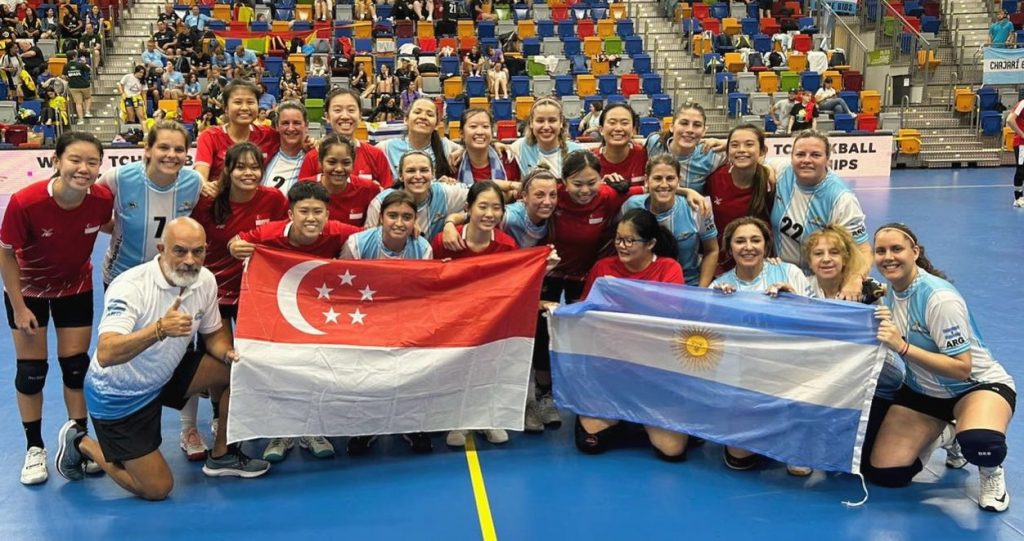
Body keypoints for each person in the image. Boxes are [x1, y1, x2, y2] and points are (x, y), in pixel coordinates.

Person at [56, 218, 271, 500]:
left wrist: (228, 354)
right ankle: (81, 442)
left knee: (240, 372)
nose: (190, 260)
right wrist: (158, 330)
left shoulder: (204, 280)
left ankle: (222, 455)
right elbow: (107, 353)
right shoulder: (130, 286)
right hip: (119, 395)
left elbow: (214, 333)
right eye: (180, 251)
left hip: (165, 374)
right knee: (157, 489)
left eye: (198, 252)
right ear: (162, 248)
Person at [867, 223, 1015, 513]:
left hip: (975, 387)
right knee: (887, 473)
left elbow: (962, 368)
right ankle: (948, 434)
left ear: (915, 252)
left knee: (981, 441)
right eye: (880, 251)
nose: (888, 257)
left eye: (897, 249)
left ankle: (989, 470)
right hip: (923, 392)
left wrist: (903, 347)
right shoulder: (888, 291)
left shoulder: (938, 298)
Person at [0, 133, 113, 485]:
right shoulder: (26, 202)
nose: (83, 168)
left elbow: (111, 225)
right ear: (56, 161)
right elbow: (5, 253)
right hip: (29, 289)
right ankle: (35, 448)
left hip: (75, 286)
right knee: (31, 371)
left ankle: (79, 443)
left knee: (76, 368)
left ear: (99, 167)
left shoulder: (102, 199)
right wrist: (18, 307)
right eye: (75, 160)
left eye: (92, 162)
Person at [572, 208, 687, 461]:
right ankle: (622, 417)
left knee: (672, 450)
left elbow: (672, 316)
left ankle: (639, 415)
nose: (621, 246)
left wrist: (624, 298)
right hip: (609, 369)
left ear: (651, 243)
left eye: (630, 240)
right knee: (590, 442)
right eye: (618, 239)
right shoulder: (603, 268)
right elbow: (585, 312)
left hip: (652, 372)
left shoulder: (669, 269)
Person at [710, 216, 814, 476]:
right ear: (729, 248)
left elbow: (816, 322)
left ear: (766, 245)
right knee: (739, 459)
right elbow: (711, 344)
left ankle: (794, 430)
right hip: (746, 377)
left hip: (790, 372)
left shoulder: (790, 273)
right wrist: (717, 308)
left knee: (799, 469)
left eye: (755, 240)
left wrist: (795, 301)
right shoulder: (719, 287)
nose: (748, 247)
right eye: (740, 241)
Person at [770, 130, 871, 300]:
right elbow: (752, 156)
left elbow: (864, 250)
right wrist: (724, 144)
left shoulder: (841, 199)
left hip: (820, 285)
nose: (806, 160)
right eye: (800, 154)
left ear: (828, 160)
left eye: (815, 155)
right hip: (780, 274)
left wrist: (855, 278)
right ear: (792, 157)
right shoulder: (782, 170)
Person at [365, 150, 517, 240]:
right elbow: (369, 240)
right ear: (401, 176)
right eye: (411, 171)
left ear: (433, 174)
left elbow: (481, 189)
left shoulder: (445, 192)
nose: (418, 176)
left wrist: (513, 185)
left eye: (424, 170)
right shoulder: (381, 202)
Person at [621, 154, 719, 287]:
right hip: (642, 285)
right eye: (657, 178)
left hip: (688, 284)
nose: (664, 184)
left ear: (679, 180)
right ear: (646, 180)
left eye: (670, 178)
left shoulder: (697, 208)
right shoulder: (631, 206)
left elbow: (712, 251)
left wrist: (701, 292)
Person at [228, 181, 361, 261]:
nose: (311, 218)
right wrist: (233, 247)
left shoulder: (337, 232)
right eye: (303, 211)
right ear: (291, 215)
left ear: (327, 215)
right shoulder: (268, 233)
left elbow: (372, 235)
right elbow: (235, 241)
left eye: (317, 212)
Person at [705, 123, 774, 274]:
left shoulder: (771, 184)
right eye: (735, 145)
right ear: (727, 149)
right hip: (719, 267)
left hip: (759, 267)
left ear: (762, 151)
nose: (741, 150)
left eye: (749, 144)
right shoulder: (715, 179)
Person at [297, 88, 395, 187]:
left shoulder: (376, 155)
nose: (345, 116)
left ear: (360, 115)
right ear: (327, 116)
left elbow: (388, 196)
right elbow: (301, 197)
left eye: (351, 110)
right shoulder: (313, 157)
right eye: (337, 110)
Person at [194, 79, 281, 184]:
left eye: (250, 102)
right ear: (226, 108)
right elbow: (201, 178)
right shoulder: (210, 136)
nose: (244, 108)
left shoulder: (269, 135)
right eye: (238, 102)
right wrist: (207, 186)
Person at [299, 133, 381, 227]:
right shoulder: (303, 189)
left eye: (346, 163)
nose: (339, 169)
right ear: (321, 163)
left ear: (353, 164)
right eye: (332, 162)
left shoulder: (369, 189)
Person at [645, 103, 726, 194]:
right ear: (671, 127)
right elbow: (631, 141)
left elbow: (742, 149)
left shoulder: (710, 154)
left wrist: (725, 143)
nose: (690, 130)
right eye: (684, 123)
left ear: (704, 131)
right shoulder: (655, 143)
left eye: (697, 125)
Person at [431, 180, 518, 259]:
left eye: (496, 208)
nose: (489, 214)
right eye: (482, 207)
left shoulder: (508, 247)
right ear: (468, 208)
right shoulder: (443, 242)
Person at [377, 96, 459, 180]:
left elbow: (470, 149)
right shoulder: (387, 147)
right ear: (406, 119)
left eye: (430, 114)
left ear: (437, 125)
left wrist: (462, 151)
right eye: (417, 112)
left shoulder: (446, 146)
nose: (423, 117)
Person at [340, 190, 433, 260]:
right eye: (392, 216)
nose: (399, 223)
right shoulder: (356, 245)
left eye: (407, 217)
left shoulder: (423, 250)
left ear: (415, 220)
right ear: (381, 217)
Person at [507, 97, 586, 178]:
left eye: (552, 120)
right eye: (540, 121)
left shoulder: (578, 152)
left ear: (561, 122)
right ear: (531, 123)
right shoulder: (519, 147)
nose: (546, 127)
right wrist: (496, 144)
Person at [454, 107, 519, 184]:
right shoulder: (454, 165)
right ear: (461, 133)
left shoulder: (508, 160)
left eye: (485, 126)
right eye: (473, 126)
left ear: (492, 132)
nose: (480, 132)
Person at [593, 103, 648, 186]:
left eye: (624, 123)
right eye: (612, 123)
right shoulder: (591, 160)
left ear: (633, 130)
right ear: (601, 130)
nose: (618, 128)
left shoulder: (645, 155)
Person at [262, 101, 309, 194]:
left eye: (296, 123)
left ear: (306, 126)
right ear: (276, 126)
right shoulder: (265, 154)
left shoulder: (315, 159)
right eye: (285, 123)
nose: (291, 128)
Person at [1004, 96, 1024, 207]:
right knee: (1021, 170)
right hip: (1022, 144)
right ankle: (1018, 197)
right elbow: (1010, 120)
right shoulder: (1022, 104)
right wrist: (1022, 134)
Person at [63, 50, 92, 120]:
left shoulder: (66, 66)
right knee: (88, 98)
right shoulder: (80, 64)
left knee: (78, 103)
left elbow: (64, 76)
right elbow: (89, 70)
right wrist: (85, 63)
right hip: (84, 85)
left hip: (73, 86)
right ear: (74, 56)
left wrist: (70, 78)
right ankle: (87, 112)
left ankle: (81, 119)